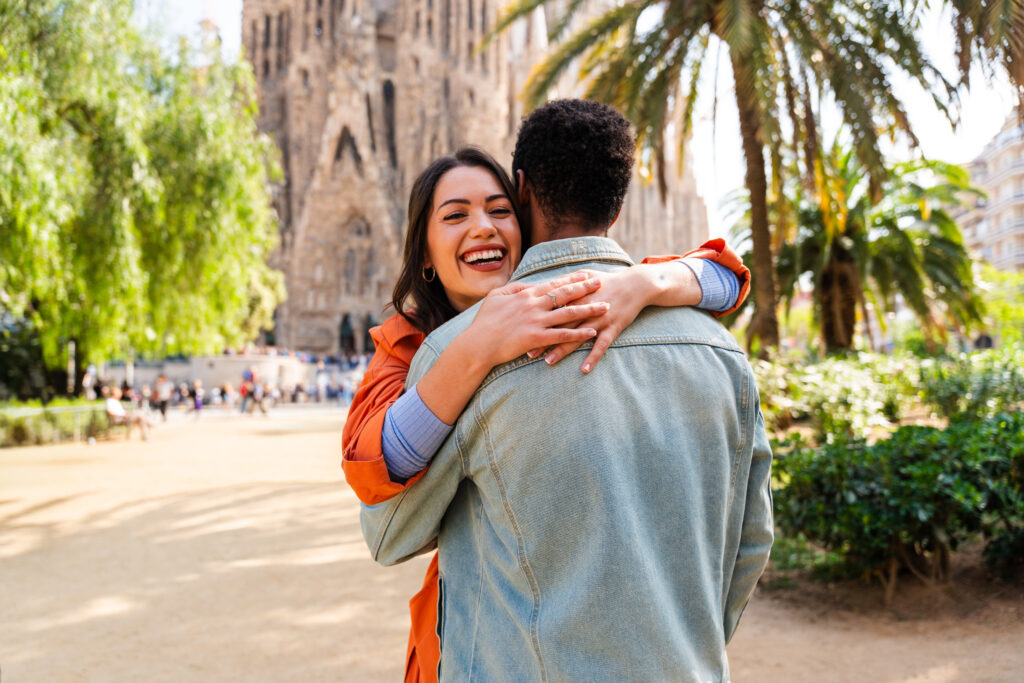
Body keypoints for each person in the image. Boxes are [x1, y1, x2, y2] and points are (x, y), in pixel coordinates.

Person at [358, 100, 773, 680]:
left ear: (521, 190)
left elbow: (388, 530)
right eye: (454, 216)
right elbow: (752, 544)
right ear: (620, 204)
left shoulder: (463, 353)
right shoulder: (723, 353)